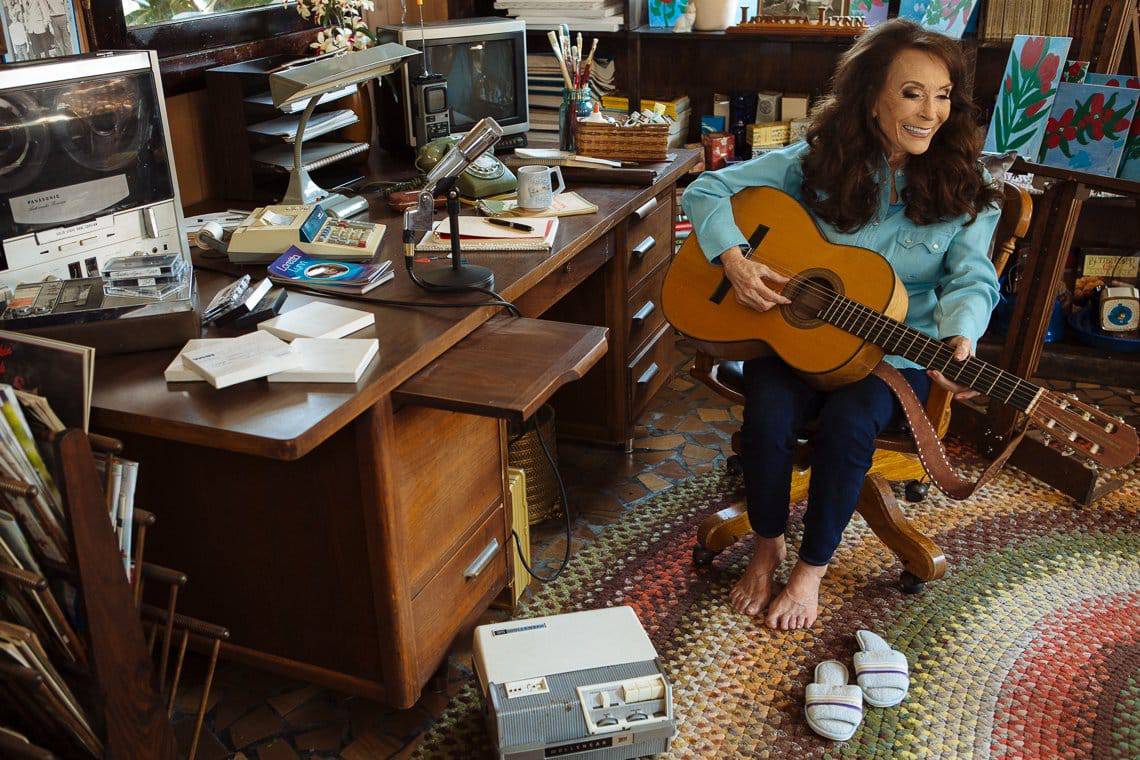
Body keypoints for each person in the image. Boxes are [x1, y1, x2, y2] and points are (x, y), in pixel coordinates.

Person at [680, 18, 1002, 631]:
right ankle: (767, 545)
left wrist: (961, 334)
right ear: (871, 97)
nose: (930, 113)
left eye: (942, 96)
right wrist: (735, 261)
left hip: (892, 354)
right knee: (768, 415)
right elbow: (708, 190)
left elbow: (972, 279)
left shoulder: (967, 184)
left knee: (849, 426)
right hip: (794, 335)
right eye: (912, 93)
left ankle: (810, 571)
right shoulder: (814, 161)